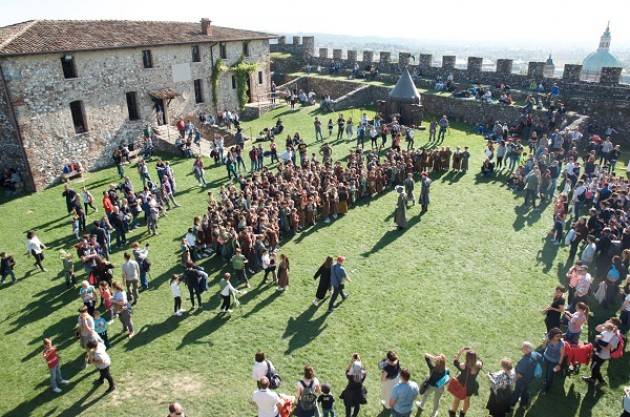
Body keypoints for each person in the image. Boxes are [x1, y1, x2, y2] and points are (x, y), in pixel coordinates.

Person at [582, 319, 620, 386]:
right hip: (597, 352)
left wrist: (598, 344)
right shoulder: (608, 331)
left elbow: (607, 348)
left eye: (609, 321)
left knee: (594, 367)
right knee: (595, 367)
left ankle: (593, 380)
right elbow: (597, 328)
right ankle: (600, 381)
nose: (607, 321)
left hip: (603, 355)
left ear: (615, 325)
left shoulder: (615, 337)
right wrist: (605, 325)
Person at [449, 348, 483, 417]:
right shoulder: (478, 365)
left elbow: (455, 362)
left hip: (461, 385)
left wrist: (461, 351)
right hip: (470, 386)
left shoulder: (463, 365)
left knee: (457, 399)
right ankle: (462, 414)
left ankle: (452, 413)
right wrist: (473, 354)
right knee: (467, 400)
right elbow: (480, 361)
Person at [511, 341, 541, 408]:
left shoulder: (524, 361)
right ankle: (524, 404)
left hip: (522, 380)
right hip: (530, 379)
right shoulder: (535, 354)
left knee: (517, 392)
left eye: (523, 348)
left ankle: (511, 404)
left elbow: (520, 374)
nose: (521, 349)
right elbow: (541, 357)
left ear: (526, 349)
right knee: (525, 391)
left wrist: (514, 379)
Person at [541, 327, 564, 394]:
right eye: (557, 336)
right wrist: (545, 340)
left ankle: (546, 388)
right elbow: (543, 347)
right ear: (553, 335)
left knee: (550, 375)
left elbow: (562, 355)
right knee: (546, 371)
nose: (559, 337)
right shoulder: (549, 339)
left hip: (554, 361)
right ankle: (546, 380)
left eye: (560, 336)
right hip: (546, 358)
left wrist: (559, 364)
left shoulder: (561, 344)